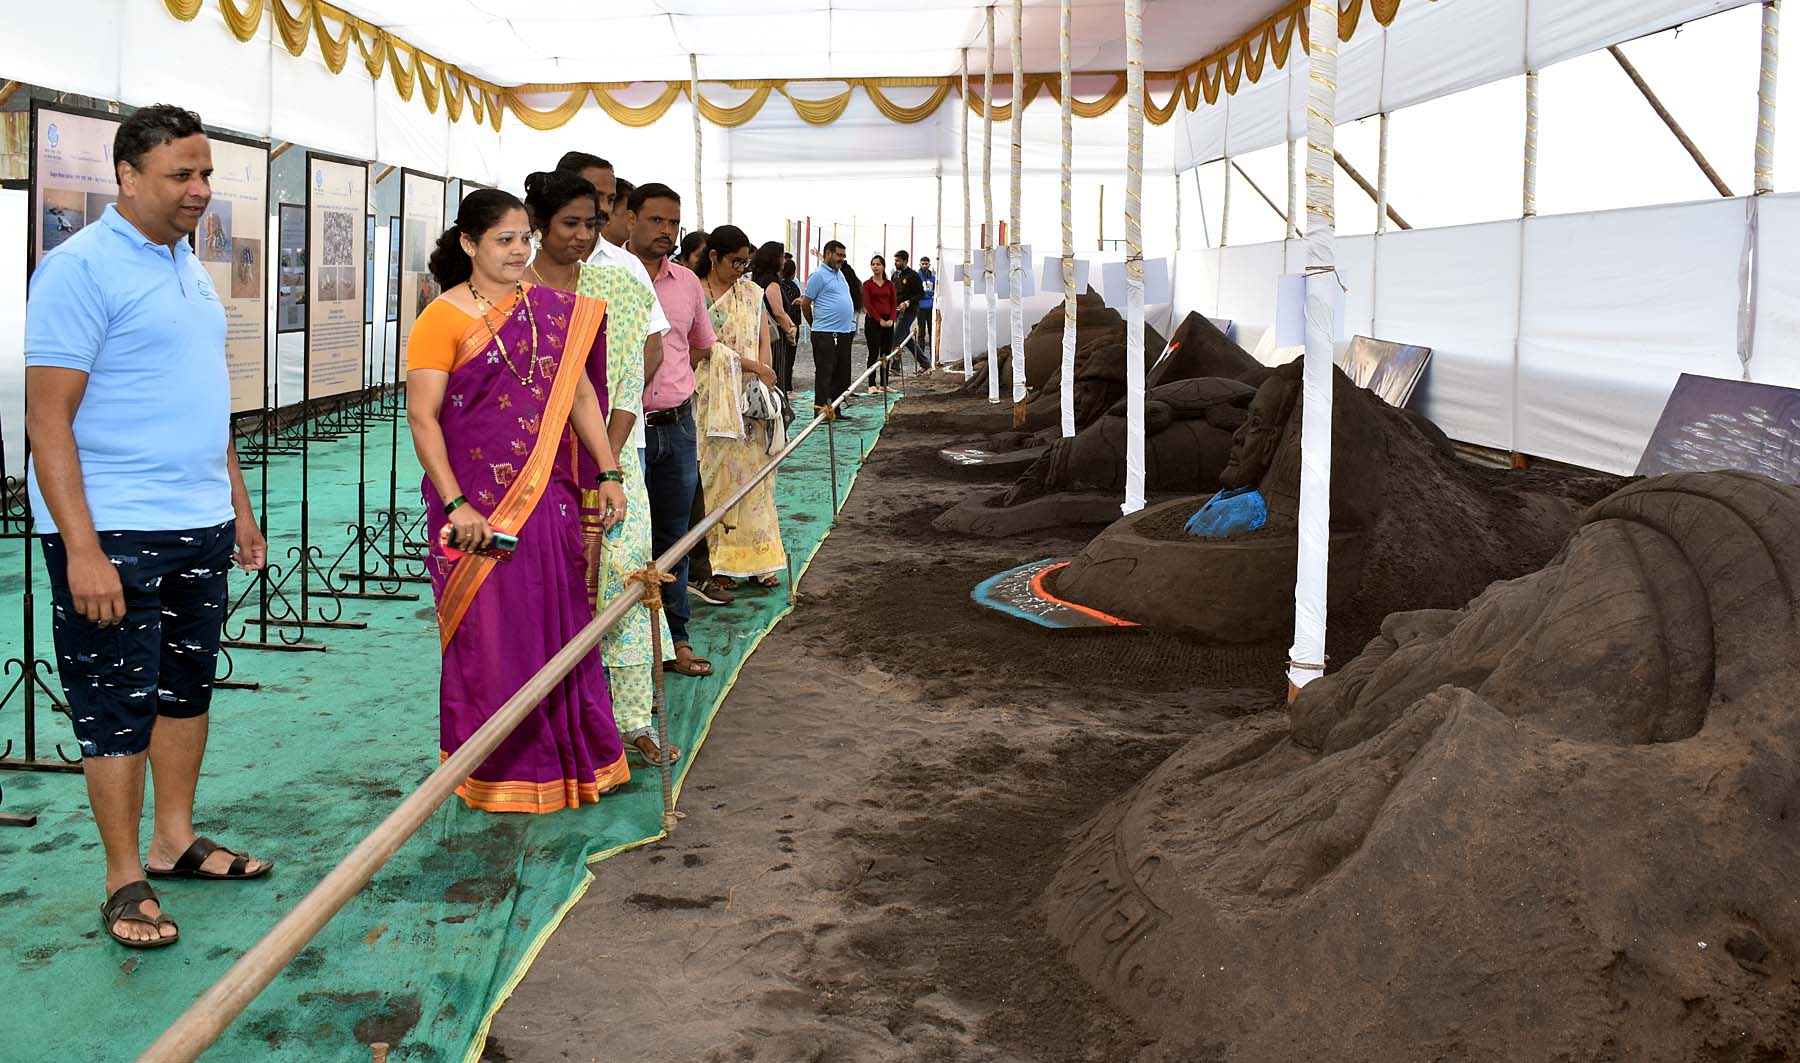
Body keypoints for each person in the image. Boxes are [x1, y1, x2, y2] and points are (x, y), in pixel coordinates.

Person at [24, 104, 271, 949]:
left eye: (205, 174)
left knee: (184, 691)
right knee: (115, 706)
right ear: (128, 176)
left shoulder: (188, 265)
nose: (200, 189)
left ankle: (174, 840)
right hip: (115, 532)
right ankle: (124, 876)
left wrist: (237, 505)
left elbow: (206, 397)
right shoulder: (78, 269)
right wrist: (82, 547)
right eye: (181, 174)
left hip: (199, 523)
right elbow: (47, 420)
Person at [404, 188, 631, 813]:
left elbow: (580, 397)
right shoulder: (441, 318)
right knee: (492, 636)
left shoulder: (549, 310)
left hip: (547, 502)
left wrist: (608, 472)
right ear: (469, 243)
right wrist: (457, 504)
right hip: (476, 511)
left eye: (524, 238)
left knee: (558, 624)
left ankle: (570, 763)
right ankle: (499, 771)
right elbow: (423, 418)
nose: (518, 250)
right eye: (504, 239)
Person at [521, 170, 680, 766]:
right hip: (534, 472)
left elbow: (629, 383)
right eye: (570, 224)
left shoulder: (619, 286)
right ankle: (553, 726)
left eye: (592, 223)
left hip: (613, 466)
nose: (583, 236)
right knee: (548, 593)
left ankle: (634, 721)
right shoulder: (511, 295)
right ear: (539, 224)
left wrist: (605, 466)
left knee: (627, 581)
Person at [628, 183, 718, 677]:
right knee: (627, 542)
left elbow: (700, 344)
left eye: (674, 222)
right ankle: (633, 653)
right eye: (656, 220)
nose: (666, 230)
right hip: (624, 432)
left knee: (675, 539)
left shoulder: (686, 283)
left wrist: (674, 389)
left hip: (677, 427)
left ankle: (677, 639)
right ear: (630, 218)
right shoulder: (607, 274)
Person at [694, 226, 788, 588]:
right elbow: (703, 347)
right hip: (712, 400)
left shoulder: (751, 293)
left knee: (756, 481)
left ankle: (760, 559)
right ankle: (722, 563)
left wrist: (763, 378)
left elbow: (763, 337)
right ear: (713, 256)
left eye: (745, 263)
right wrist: (751, 367)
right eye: (734, 261)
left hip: (750, 402)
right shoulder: (696, 292)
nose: (740, 269)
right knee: (717, 481)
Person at [555, 154, 669, 405]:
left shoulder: (628, 267)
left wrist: (615, 411)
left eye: (610, 199)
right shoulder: (526, 265)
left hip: (616, 422)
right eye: (595, 196)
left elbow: (652, 349)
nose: (605, 209)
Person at [797, 240, 855, 419]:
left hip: (844, 332)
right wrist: (814, 325)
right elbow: (806, 304)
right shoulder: (818, 276)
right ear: (828, 253)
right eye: (839, 255)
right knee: (825, 372)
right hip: (825, 333)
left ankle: (835, 409)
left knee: (842, 374)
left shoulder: (840, 274)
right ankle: (821, 411)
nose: (842, 259)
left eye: (844, 255)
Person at [751, 241, 799, 392]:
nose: (784, 260)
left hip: (763, 332)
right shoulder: (772, 283)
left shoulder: (758, 279)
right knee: (776, 375)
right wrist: (790, 330)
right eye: (782, 257)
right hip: (774, 337)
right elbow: (778, 312)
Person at [863, 254, 897, 394]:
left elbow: (893, 303)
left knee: (886, 353)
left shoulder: (890, 284)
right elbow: (868, 304)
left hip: (888, 321)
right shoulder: (867, 284)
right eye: (873, 264)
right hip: (873, 321)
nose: (875, 267)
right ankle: (871, 384)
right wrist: (879, 320)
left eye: (878, 264)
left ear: (883, 266)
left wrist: (891, 319)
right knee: (873, 352)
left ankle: (884, 384)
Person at [891, 249, 927, 370]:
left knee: (896, 337)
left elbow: (920, 294)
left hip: (910, 311)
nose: (896, 263)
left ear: (905, 261)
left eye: (898, 261)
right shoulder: (895, 275)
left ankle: (895, 366)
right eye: (895, 260)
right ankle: (925, 363)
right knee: (907, 339)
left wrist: (907, 303)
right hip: (897, 310)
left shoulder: (913, 276)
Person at [917, 255, 937, 364]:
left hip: (931, 308)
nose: (924, 265)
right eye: (923, 263)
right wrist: (930, 295)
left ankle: (933, 355)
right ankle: (921, 357)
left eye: (926, 264)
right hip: (920, 307)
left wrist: (928, 294)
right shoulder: (917, 276)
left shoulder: (933, 277)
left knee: (932, 331)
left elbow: (936, 291)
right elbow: (919, 292)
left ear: (929, 264)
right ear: (920, 264)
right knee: (921, 332)